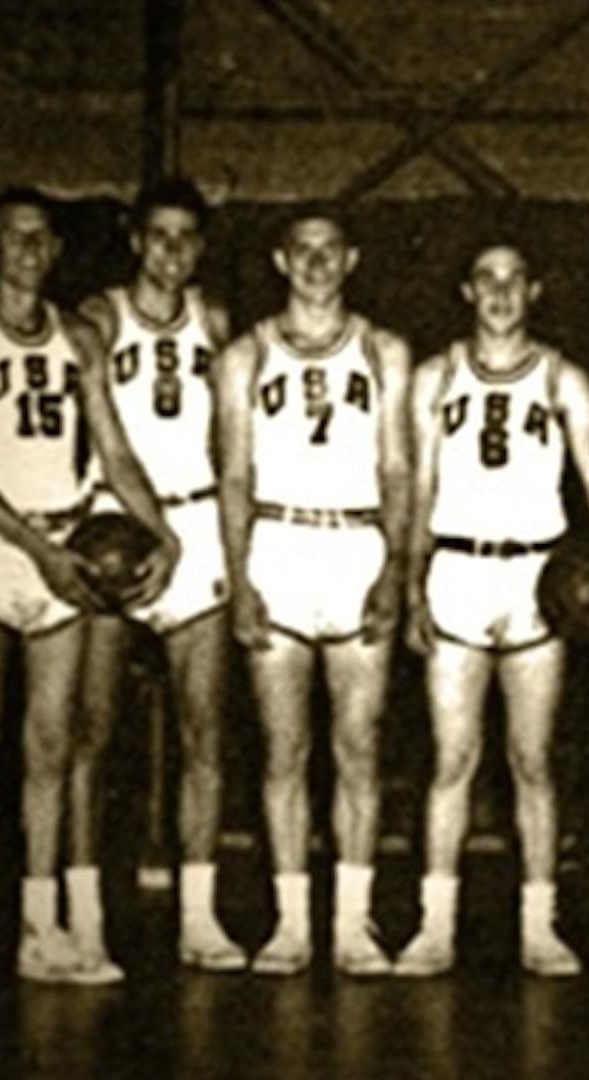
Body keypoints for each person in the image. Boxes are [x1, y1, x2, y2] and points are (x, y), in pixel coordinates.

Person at [0, 188, 176, 990]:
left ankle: (41, 929)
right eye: (14, 236)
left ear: (56, 250)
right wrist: (36, 547)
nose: (28, 250)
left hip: (65, 544)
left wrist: (163, 531)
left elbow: (113, 450)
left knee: (51, 745)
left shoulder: (77, 336)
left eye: (41, 237)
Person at [391, 241, 589, 978]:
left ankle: (541, 927)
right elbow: (418, 490)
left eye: (514, 279)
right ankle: (434, 928)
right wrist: (410, 584)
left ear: (533, 290)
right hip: (457, 569)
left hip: (538, 575)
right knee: (453, 760)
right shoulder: (436, 376)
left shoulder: (563, 376)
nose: (500, 292)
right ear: (468, 290)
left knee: (533, 760)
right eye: (487, 279)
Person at [212, 210, 412, 975]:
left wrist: (393, 569)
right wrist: (239, 581)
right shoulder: (244, 356)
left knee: (359, 747)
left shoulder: (386, 350)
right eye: (304, 250)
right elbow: (233, 476)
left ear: (351, 259)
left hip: (357, 544)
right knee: (283, 750)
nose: (318, 263)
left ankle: (354, 925)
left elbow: (397, 470)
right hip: (278, 546)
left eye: (331, 250)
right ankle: (293, 924)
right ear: (280, 260)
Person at [74, 177, 244, 971]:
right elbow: (104, 438)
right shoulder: (99, 319)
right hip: (116, 522)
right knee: (89, 732)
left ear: (199, 247)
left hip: (198, 524)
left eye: (187, 237)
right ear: (136, 241)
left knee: (203, 729)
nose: (172, 251)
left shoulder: (215, 321)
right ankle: (76, 913)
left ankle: (199, 915)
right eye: (159, 236)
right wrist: (148, 529)